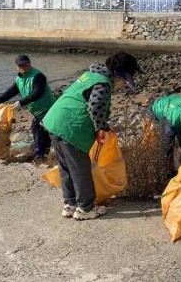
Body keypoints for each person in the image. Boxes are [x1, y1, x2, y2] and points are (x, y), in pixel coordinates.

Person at [42, 51, 140, 220]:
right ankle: (85, 209)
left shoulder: (90, 74)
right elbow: (95, 106)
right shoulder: (104, 83)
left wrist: (102, 127)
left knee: (66, 167)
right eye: (124, 81)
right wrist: (101, 127)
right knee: (80, 169)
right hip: (71, 128)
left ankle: (69, 204)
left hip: (54, 121)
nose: (122, 85)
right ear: (119, 75)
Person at [0, 54, 56, 162]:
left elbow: (37, 93)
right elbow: (10, 92)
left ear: (29, 64)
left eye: (26, 64)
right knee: (37, 129)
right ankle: (43, 154)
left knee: (40, 131)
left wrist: (21, 102)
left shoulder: (38, 76)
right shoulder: (19, 78)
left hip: (47, 108)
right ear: (17, 67)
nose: (24, 67)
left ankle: (40, 156)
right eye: (21, 65)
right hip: (36, 111)